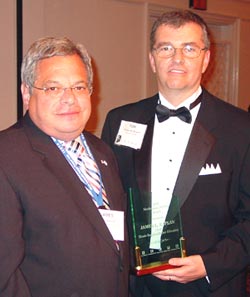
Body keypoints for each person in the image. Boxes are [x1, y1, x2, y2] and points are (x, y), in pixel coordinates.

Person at [101, 9, 250, 297]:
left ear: (206, 59)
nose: (177, 58)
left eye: (189, 48)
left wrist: (209, 264)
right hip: (137, 287)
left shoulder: (241, 128)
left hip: (210, 286)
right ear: (152, 59)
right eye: (166, 48)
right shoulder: (119, 120)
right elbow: (109, 204)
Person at [0, 36, 129, 297]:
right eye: (53, 88)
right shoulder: (7, 156)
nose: (69, 99)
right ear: (26, 92)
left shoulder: (103, 151)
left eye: (79, 87)